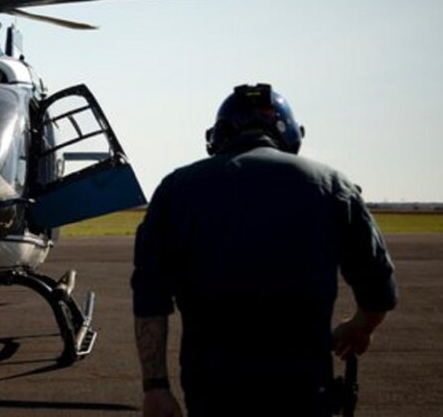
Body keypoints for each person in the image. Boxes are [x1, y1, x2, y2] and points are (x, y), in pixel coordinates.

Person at [132, 83, 398, 416]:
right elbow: (378, 286)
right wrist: (361, 325)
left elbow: (149, 298)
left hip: (213, 389)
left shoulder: (175, 190)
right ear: (291, 134)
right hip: (303, 388)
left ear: (219, 134)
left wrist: (155, 387)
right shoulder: (334, 187)